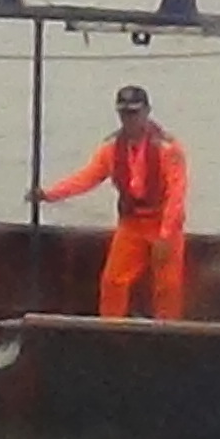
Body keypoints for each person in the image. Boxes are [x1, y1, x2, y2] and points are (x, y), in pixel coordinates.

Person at [39, 83, 189, 320]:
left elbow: (177, 194)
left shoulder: (168, 148)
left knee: (168, 287)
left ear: (147, 111)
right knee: (113, 281)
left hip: (163, 222)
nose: (129, 120)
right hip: (131, 224)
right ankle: (111, 332)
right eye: (124, 114)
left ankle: (167, 334)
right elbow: (87, 177)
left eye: (134, 113)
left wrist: (165, 234)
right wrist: (49, 194)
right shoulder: (110, 148)